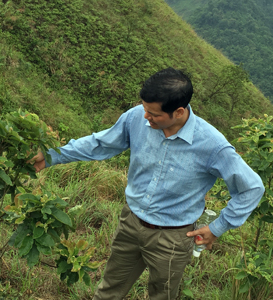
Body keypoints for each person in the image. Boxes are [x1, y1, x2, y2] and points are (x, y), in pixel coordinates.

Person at [32, 67, 264, 300]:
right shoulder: (136, 118)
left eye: (153, 113)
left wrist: (217, 228)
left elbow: (252, 188)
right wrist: (51, 155)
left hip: (172, 239)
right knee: (108, 291)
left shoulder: (213, 145)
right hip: (130, 224)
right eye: (145, 109)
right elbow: (99, 144)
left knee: (161, 296)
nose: (146, 117)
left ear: (179, 111)